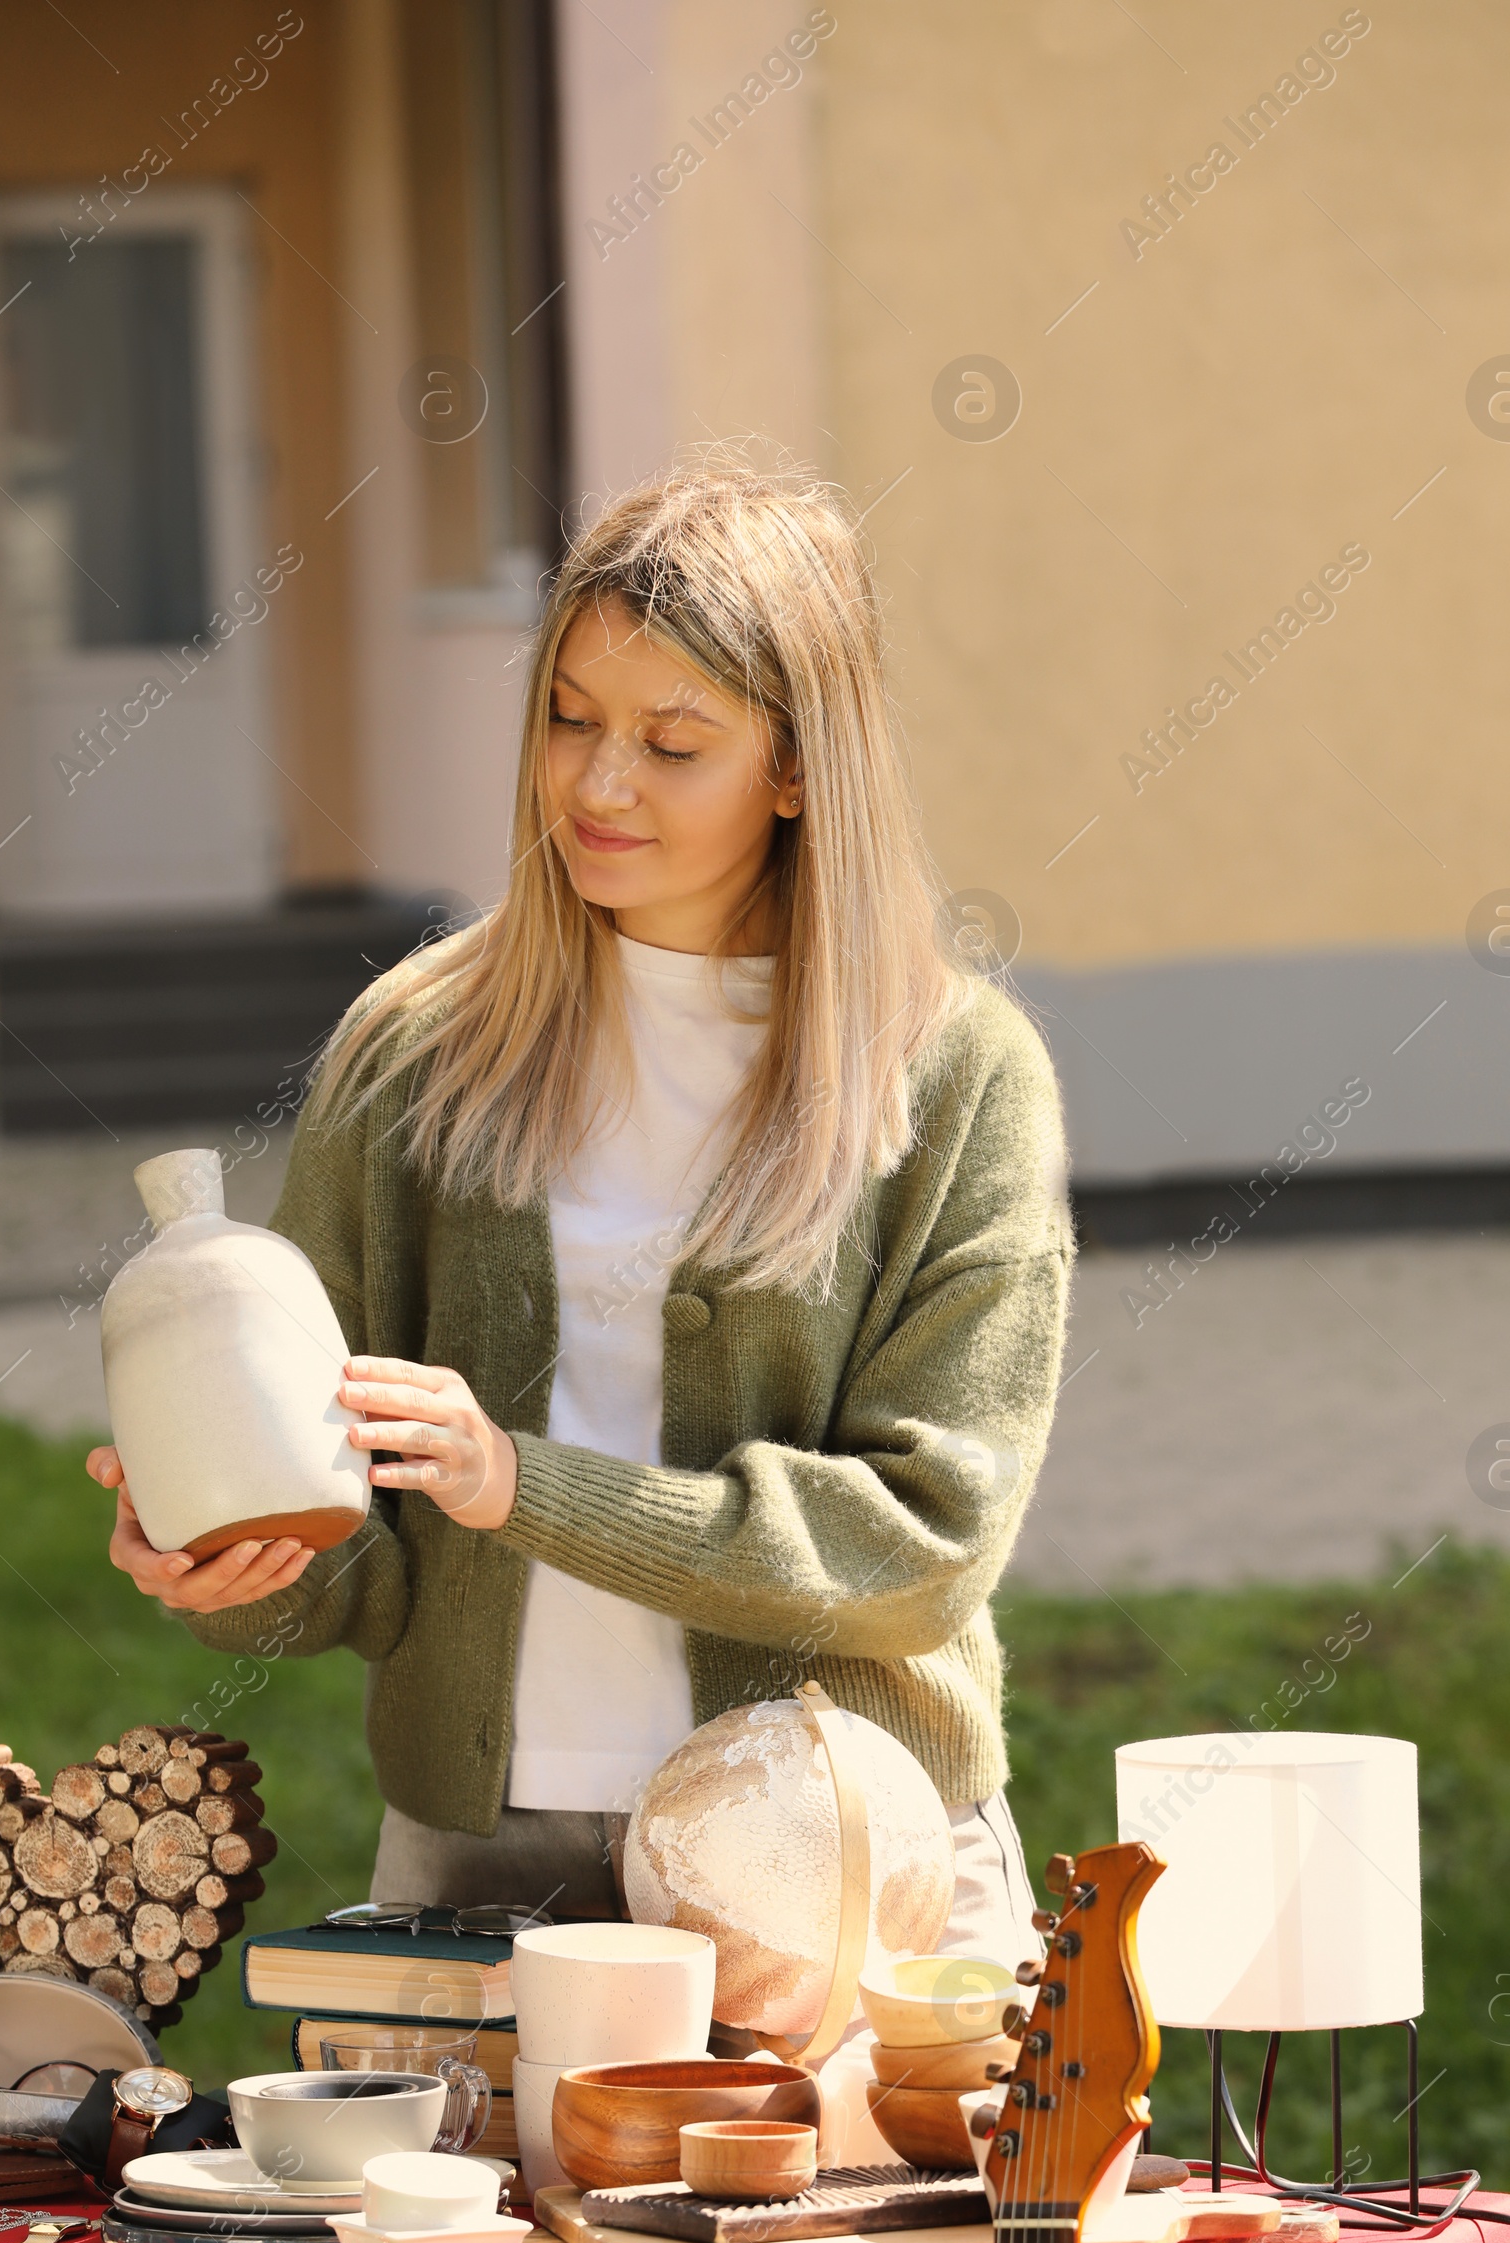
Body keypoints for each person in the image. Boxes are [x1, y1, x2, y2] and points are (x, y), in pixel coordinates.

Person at [88, 455, 1072, 1975]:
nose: (597, 785)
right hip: (490, 1862)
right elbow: (355, 1534)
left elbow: (924, 1549)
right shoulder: (419, 1048)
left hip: (848, 1860)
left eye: (674, 744)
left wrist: (520, 1481)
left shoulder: (952, 1076)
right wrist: (229, 1556)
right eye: (569, 718)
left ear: (800, 766)